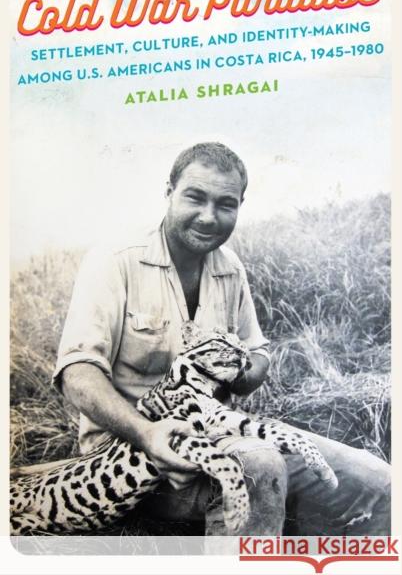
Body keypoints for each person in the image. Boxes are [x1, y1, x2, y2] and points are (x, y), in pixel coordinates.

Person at [53, 142, 391, 536]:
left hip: (221, 432)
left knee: (379, 483)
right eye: (195, 197)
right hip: (126, 457)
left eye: (225, 204)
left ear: (240, 206)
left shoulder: (230, 268)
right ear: (169, 192)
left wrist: (241, 369)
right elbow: (77, 373)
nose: (209, 217)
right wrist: (147, 433)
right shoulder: (114, 260)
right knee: (259, 467)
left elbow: (258, 352)